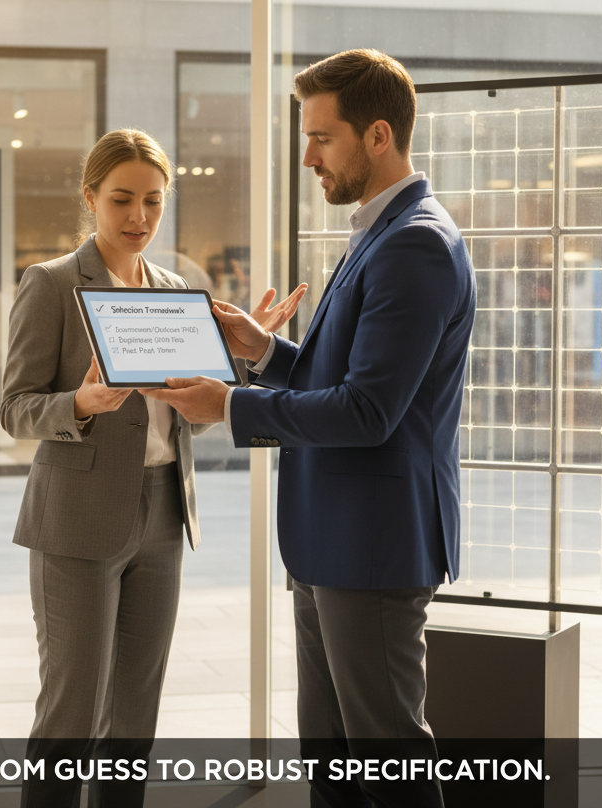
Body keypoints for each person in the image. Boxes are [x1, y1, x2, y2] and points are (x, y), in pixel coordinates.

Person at [143, 50, 476, 808]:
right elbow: (350, 381)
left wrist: (227, 406)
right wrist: (265, 352)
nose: (307, 156)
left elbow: (368, 412)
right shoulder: (381, 232)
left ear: (379, 135)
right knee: (332, 759)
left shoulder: (415, 244)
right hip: (334, 540)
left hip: (373, 544)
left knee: (387, 762)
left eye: (322, 138)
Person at [0, 129, 304, 808]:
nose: (139, 217)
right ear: (90, 198)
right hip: (77, 520)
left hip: (164, 513)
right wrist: (80, 401)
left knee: (135, 721)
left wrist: (240, 362)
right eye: (122, 200)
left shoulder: (175, 289)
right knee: (70, 719)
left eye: (153, 203)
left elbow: (190, 413)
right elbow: (15, 409)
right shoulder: (49, 284)